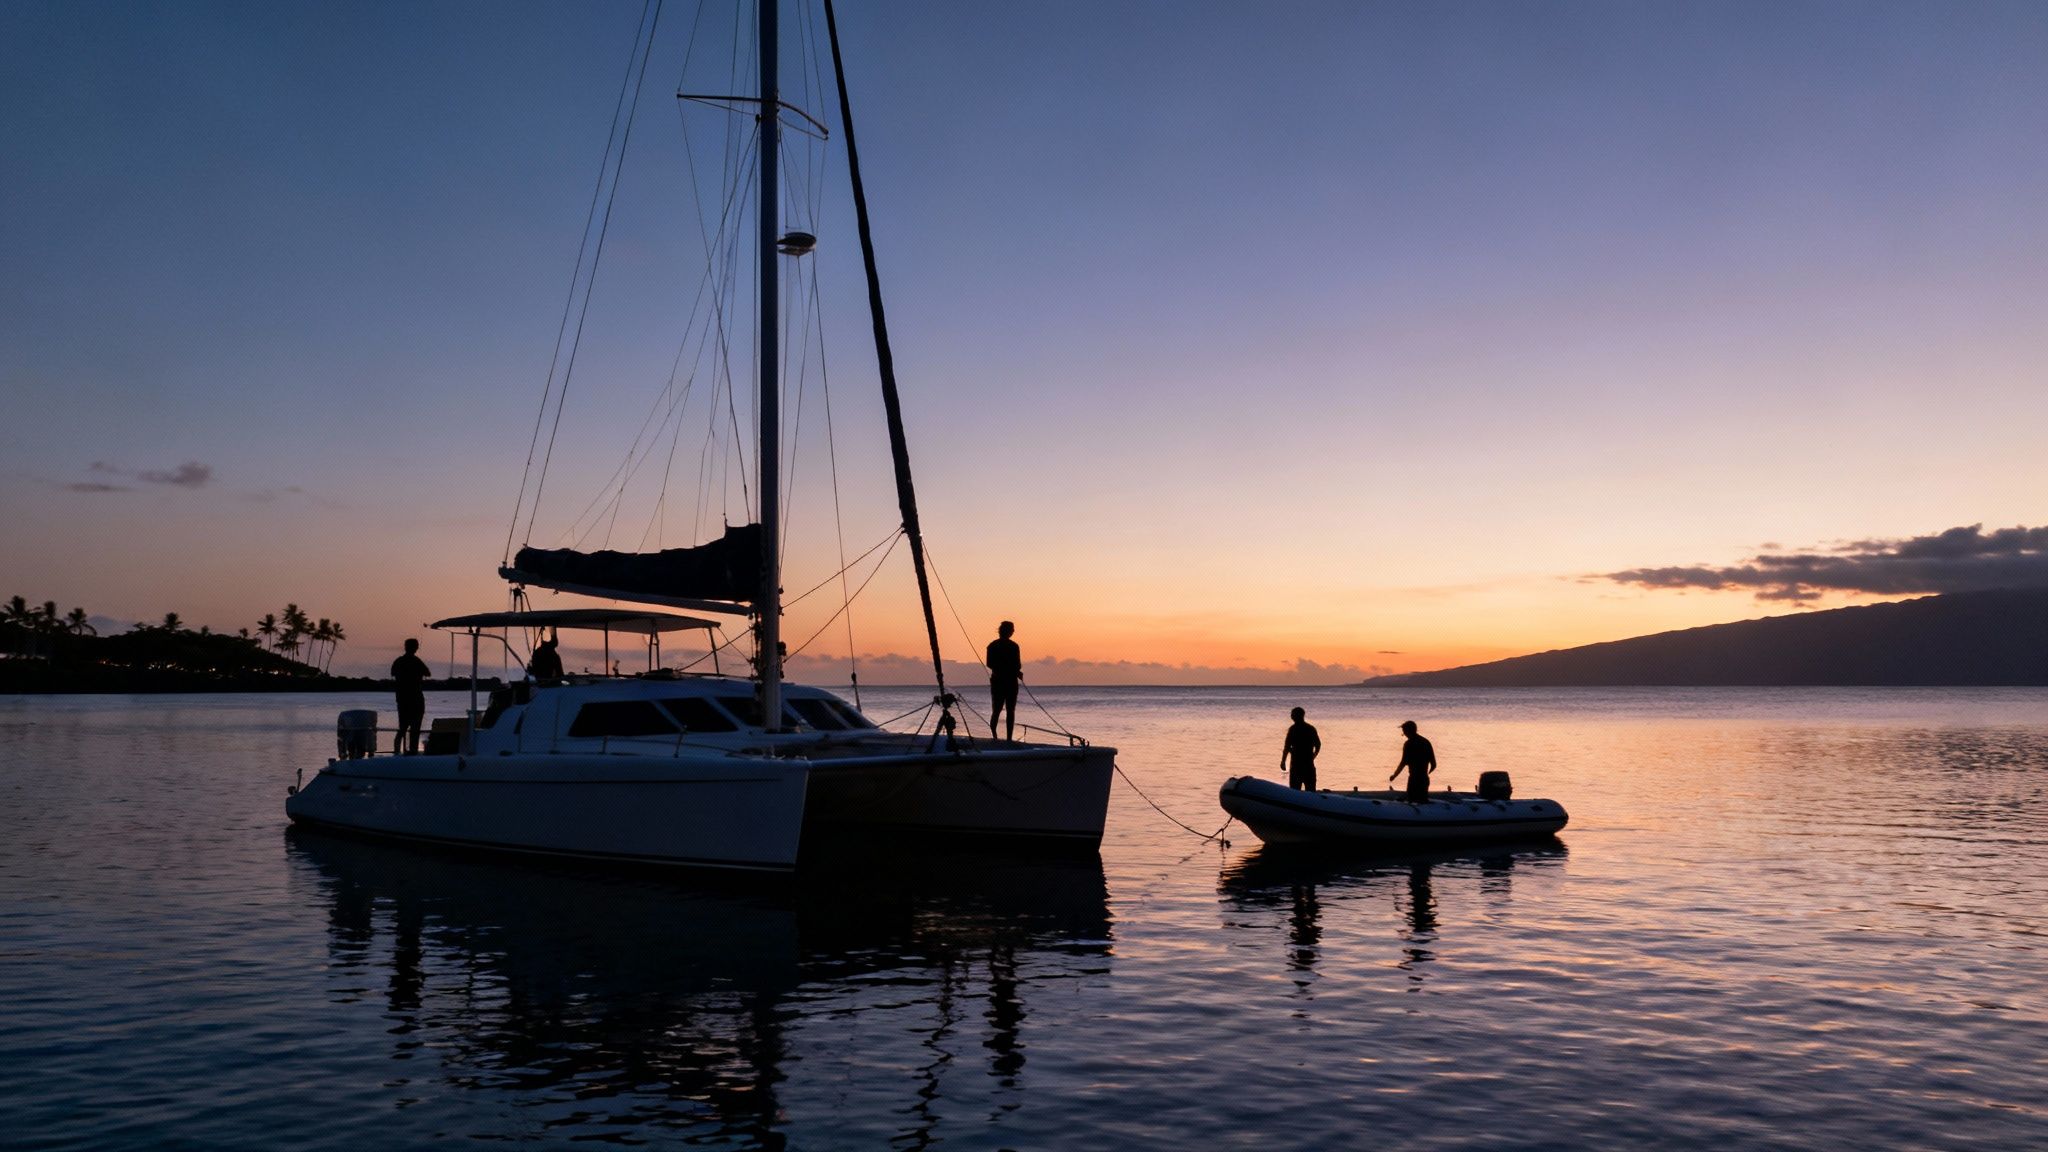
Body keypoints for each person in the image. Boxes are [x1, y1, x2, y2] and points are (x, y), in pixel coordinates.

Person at [390, 638, 431, 754]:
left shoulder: (398, 661)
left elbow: (393, 673)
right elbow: (428, 673)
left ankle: (397, 752)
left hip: (402, 700)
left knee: (402, 728)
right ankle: (412, 751)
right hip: (416, 700)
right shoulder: (416, 661)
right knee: (415, 729)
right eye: (416, 646)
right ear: (415, 648)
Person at [986, 620, 1022, 741]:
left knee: (997, 710)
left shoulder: (992, 645)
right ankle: (1007, 739)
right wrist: (1012, 670)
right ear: (1007, 631)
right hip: (1007, 682)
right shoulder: (1013, 646)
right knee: (1007, 710)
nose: (1013, 632)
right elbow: (1017, 665)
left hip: (1000, 681)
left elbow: (989, 664)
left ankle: (996, 737)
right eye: (1012, 630)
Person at [1390, 719, 1436, 803]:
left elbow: (1403, 762)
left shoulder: (1408, 744)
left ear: (1408, 731)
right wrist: (1426, 772)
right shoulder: (1426, 742)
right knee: (1423, 801)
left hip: (1414, 779)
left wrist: (1394, 775)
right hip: (1424, 779)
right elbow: (1433, 764)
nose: (1404, 735)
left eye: (1404, 732)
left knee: (1411, 801)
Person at [1281, 706, 1321, 791]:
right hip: (1308, 764)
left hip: (1297, 766)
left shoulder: (1293, 729)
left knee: (1295, 791)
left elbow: (1287, 746)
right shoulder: (1310, 728)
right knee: (1310, 790)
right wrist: (1314, 756)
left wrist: (1283, 761)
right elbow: (1318, 745)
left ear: (1297, 716)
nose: (1291, 716)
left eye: (1292, 715)